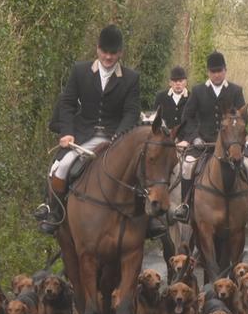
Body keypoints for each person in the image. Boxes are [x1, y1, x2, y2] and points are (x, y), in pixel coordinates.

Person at [34, 24, 140, 234]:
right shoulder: (80, 70)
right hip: (83, 136)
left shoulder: (131, 78)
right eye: (105, 52)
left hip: (116, 137)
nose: (108, 57)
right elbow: (68, 104)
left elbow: (131, 112)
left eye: (113, 53)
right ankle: (54, 211)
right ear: (97, 49)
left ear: (120, 53)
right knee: (61, 166)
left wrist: (120, 136)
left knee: (139, 173)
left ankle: (146, 220)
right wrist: (67, 132)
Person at [173, 51, 248, 223]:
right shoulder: (198, 91)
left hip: (231, 145)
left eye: (219, 70)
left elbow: (244, 118)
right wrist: (194, 137)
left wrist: (236, 136)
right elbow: (187, 117)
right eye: (213, 71)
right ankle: (185, 206)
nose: (216, 74)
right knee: (186, 165)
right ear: (208, 72)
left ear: (225, 70)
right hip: (203, 143)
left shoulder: (236, 90)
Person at [154, 66, 189, 130]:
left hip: (186, 137)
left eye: (180, 81)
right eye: (175, 81)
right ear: (170, 82)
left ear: (186, 82)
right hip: (164, 136)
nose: (178, 83)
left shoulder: (192, 97)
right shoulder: (160, 97)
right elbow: (155, 119)